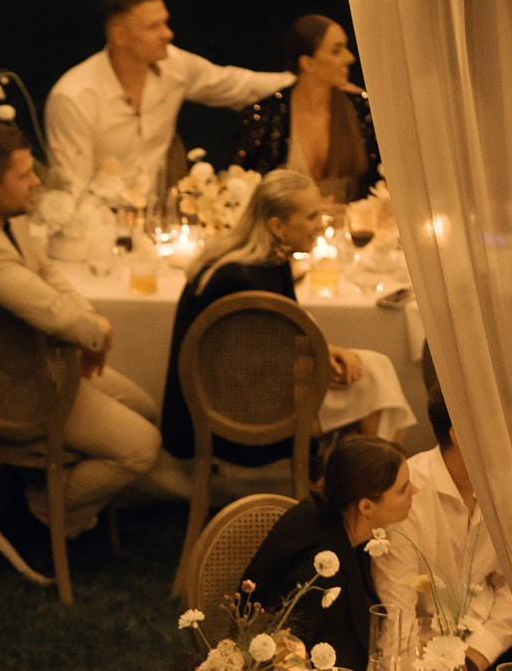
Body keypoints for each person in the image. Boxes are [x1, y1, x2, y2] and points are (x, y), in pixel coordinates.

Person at [0, 123, 185, 585]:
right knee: (140, 448)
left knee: (144, 408)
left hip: (23, 362)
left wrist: (91, 321)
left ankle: (17, 485)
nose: (36, 183)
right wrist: (93, 333)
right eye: (24, 174)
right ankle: (29, 519)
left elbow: (46, 273)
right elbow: (50, 313)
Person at [160, 168, 414, 477]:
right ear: (277, 226)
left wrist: (325, 352)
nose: (320, 225)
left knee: (372, 370)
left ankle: (359, 484)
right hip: (233, 422)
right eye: (311, 217)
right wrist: (320, 365)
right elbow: (251, 373)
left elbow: (271, 347)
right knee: (372, 380)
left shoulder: (260, 262)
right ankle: (374, 486)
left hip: (242, 401)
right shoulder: (238, 281)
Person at [44, 0, 294, 196]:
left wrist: (299, 79)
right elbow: (72, 192)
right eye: (153, 27)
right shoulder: (74, 97)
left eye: (165, 22)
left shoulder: (174, 66)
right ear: (119, 36)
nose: (168, 34)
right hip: (97, 226)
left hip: (158, 219)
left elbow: (236, 84)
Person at [375, 388, 512, 671]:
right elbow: (397, 611)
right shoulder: (406, 494)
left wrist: (479, 653)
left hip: (488, 650)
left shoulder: (511, 488)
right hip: (419, 656)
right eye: (504, 427)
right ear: (460, 436)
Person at [244, 436, 414, 671]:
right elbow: (289, 662)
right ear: (366, 506)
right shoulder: (321, 567)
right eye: (403, 489)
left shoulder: (343, 522)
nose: (415, 491)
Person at [233, 16, 381, 203]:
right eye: (336, 51)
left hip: (356, 220)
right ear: (307, 63)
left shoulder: (360, 109)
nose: (350, 58)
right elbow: (244, 192)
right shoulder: (266, 117)